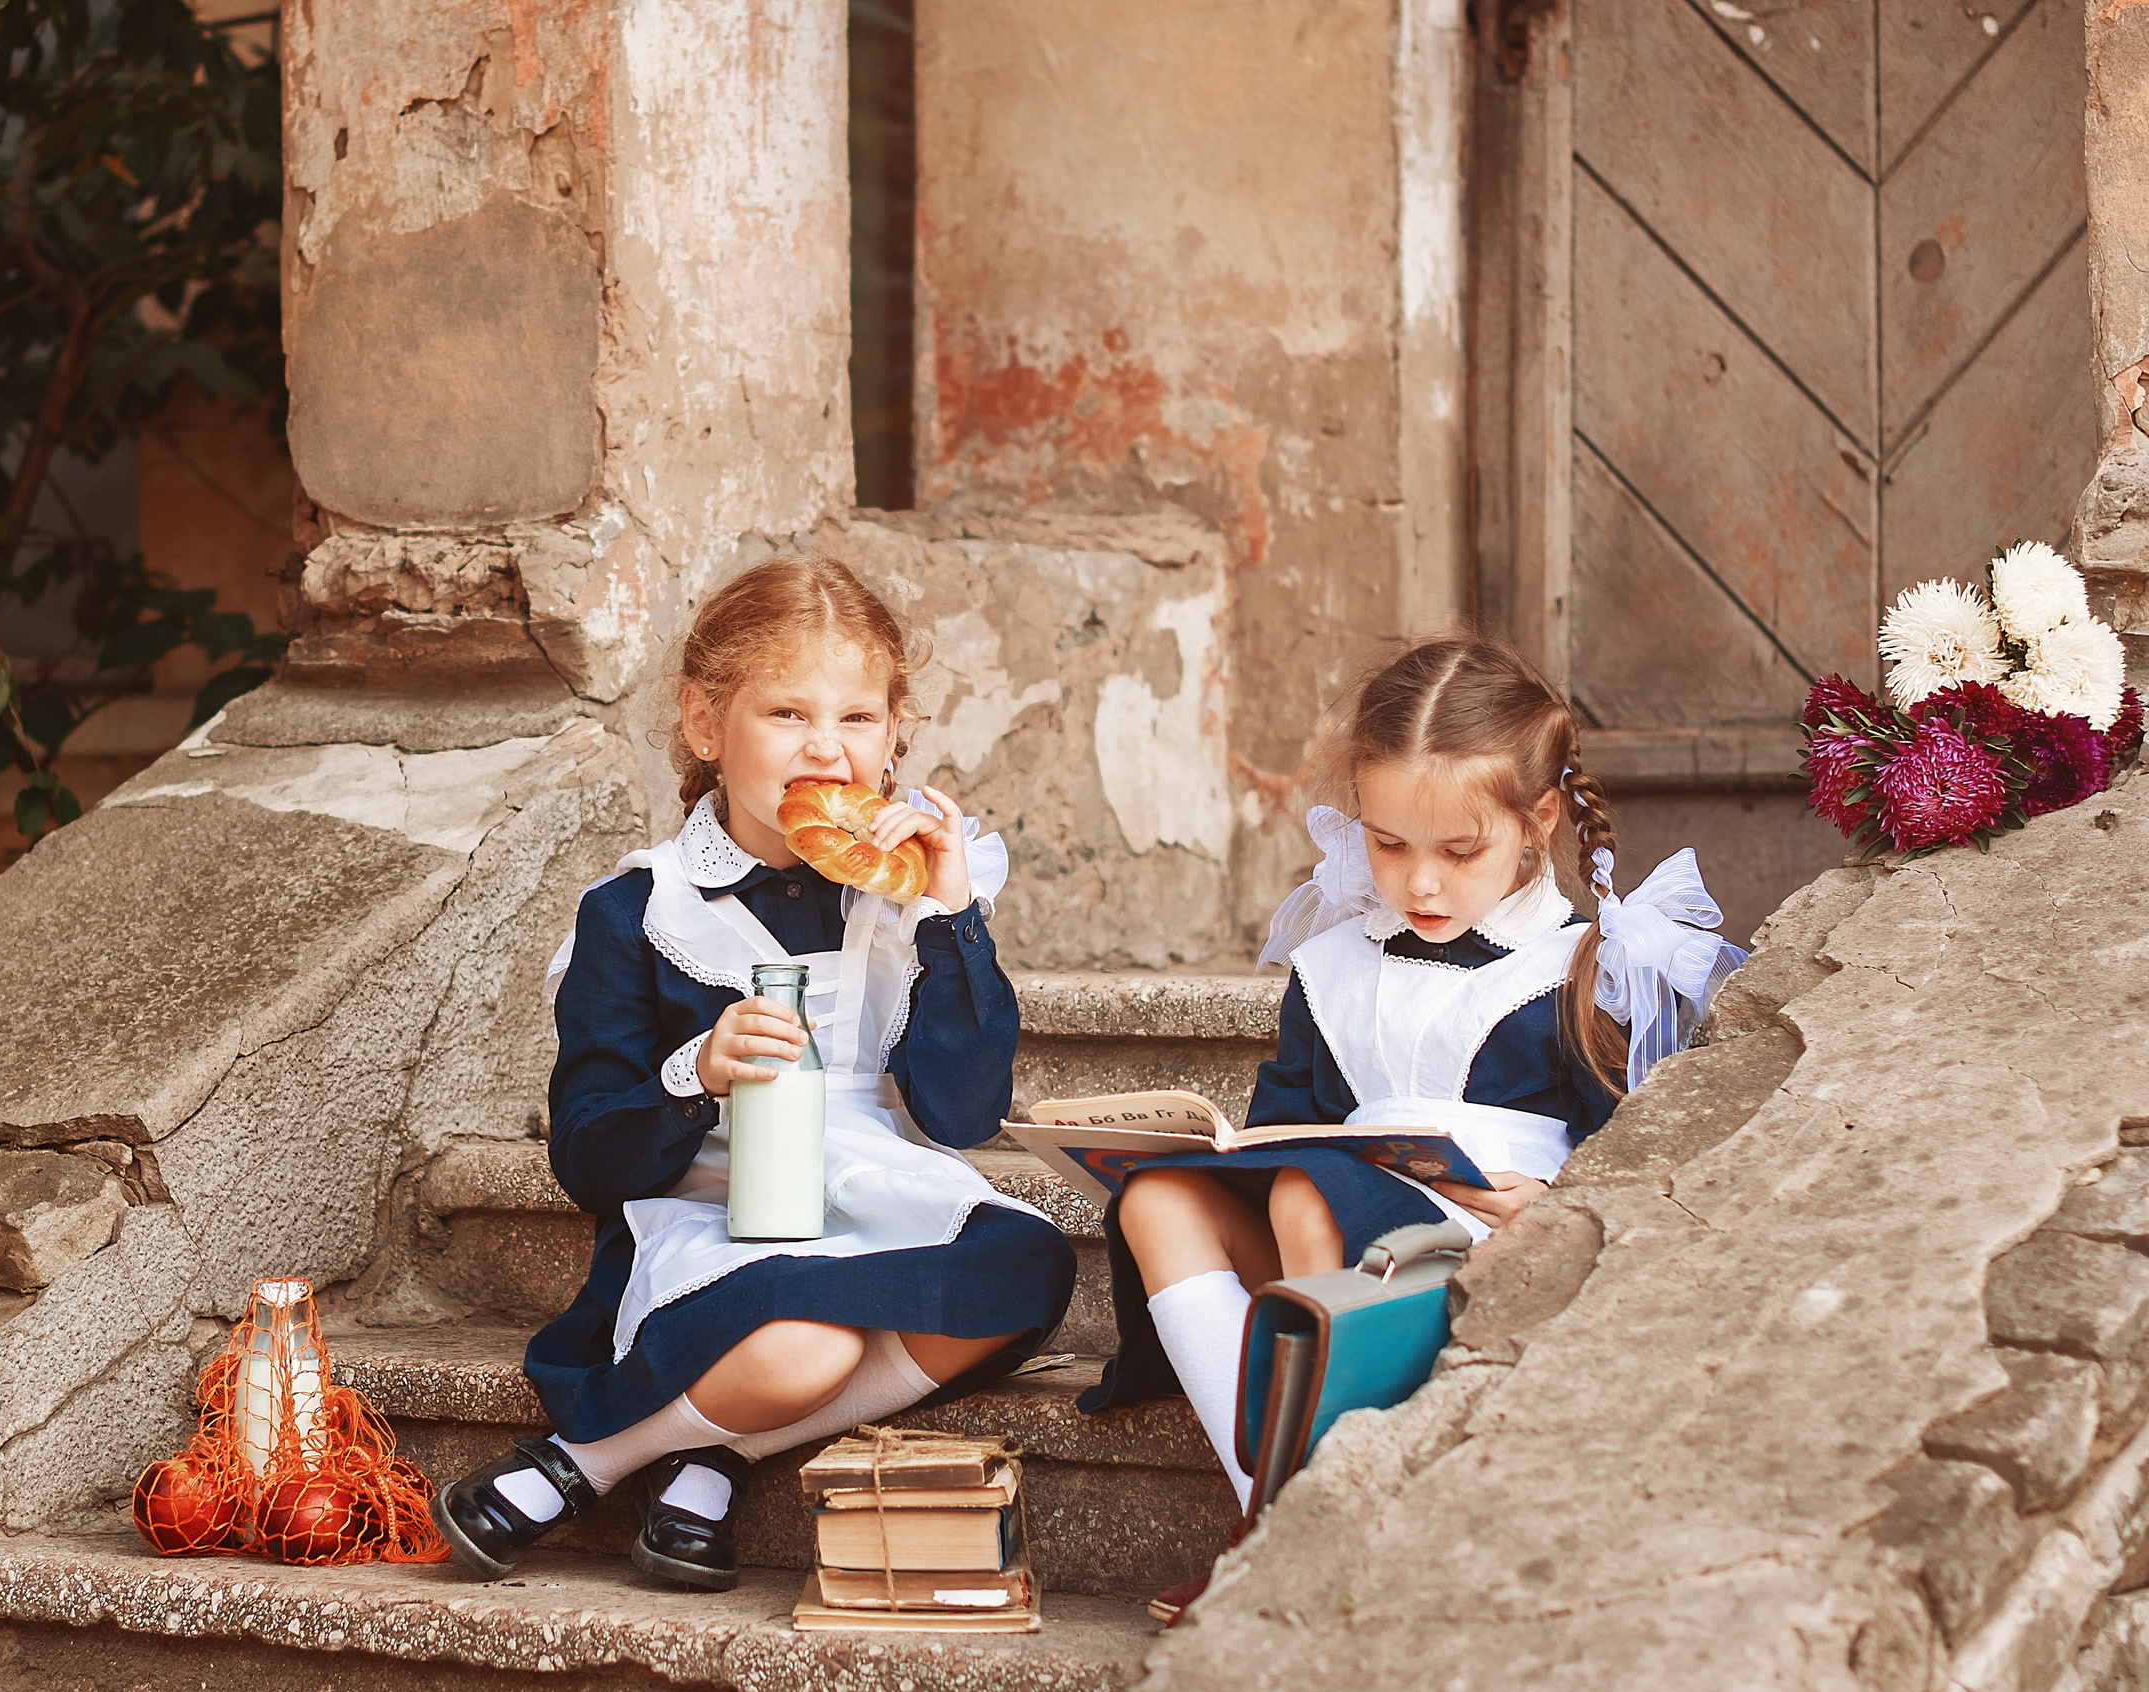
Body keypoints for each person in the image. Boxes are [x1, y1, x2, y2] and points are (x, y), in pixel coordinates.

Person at [434, 553, 1076, 1591]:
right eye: (786, 712)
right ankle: (588, 1461)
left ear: (894, 735)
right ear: (704, 724)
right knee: (805, 1350)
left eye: (858, 717)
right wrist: (695, 1071)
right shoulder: (638, 910)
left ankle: (693, 1455)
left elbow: (963, 1114)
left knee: (1025, 1269)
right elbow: (590, 1158)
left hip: (874, 1186)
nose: (825, 746)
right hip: (710, 1205)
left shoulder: (911, 897)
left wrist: (950, 916)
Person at [1081, 637, 1744, 1624]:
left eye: (1458, 852)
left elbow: (1646, 1155)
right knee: (1161, 1199)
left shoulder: (1588, 967)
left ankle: (1303, 1520)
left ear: (1538, 821)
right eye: (1389, 845)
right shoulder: (1333, 965)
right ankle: (1282, 1511)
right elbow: (1281, 1133)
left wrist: (1558, 1204)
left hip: (1483, 1245)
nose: (1421, 884)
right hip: (1330, 1232)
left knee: (1305, 1195)